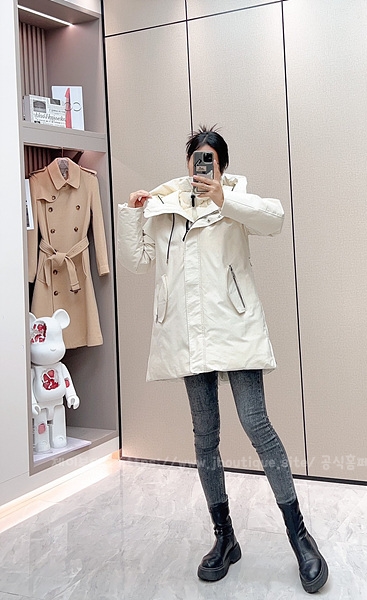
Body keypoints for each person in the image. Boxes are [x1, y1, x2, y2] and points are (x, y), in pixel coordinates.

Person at [117, 126, 328, 594]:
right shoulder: (164, 207)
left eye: (211, 159)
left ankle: (300, 536)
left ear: (222, 165)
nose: (203, 166)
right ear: (187, 162)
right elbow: (137, 261)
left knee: (257, 425)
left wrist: (223, 199)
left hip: (234, 329)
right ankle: (225, 537)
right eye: (197, 157)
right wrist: (133, 214)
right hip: (189, 336)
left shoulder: (236, 201)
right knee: (205, 438)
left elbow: (274, 220)